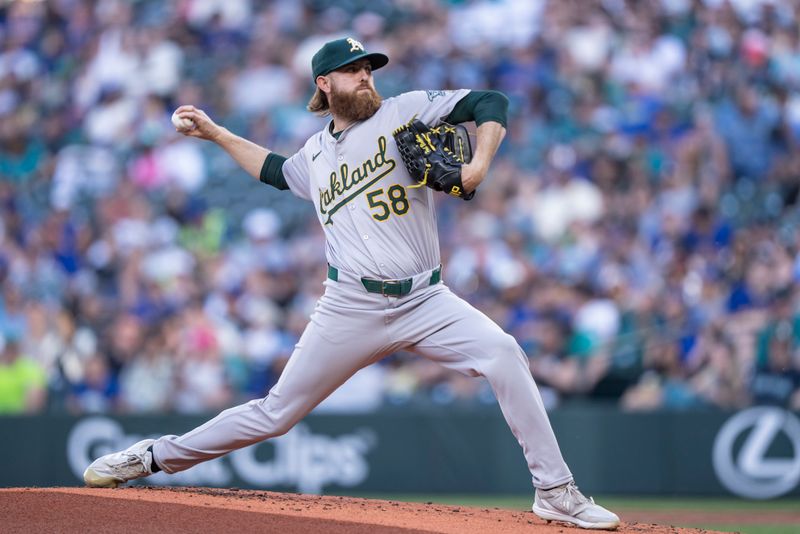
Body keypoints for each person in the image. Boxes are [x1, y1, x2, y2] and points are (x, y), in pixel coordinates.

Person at [84, 37, 619, 530]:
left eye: (367, 68)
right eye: (352, 70)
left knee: (504, 353)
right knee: (275, 414)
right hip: (350, 304)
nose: (365, 76)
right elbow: (274, 170)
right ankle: (151, 456)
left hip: (426, 298)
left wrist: (477, 165)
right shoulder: (315, 156)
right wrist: (218, 134)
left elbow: (490, 101)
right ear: (324, 84)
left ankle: (556, 491)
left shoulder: (405, 110)